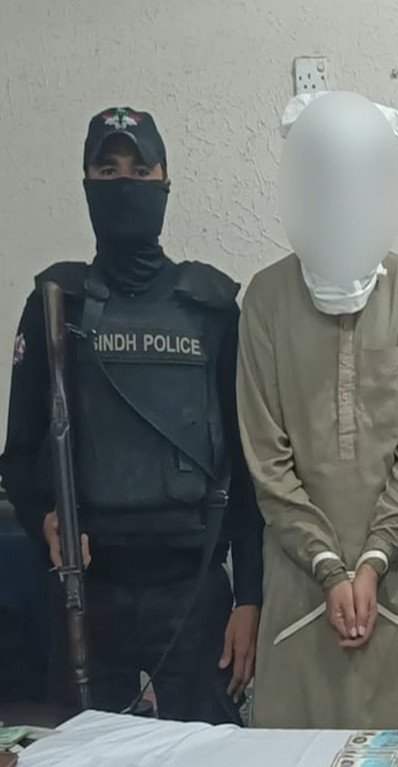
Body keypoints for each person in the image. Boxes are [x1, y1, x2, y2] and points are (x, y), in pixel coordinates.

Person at [0, 107, 263, 723]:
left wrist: (251, 598)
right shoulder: (54, 306)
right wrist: (45, 521)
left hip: (194, 592)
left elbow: (247, 467)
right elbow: (19, 455)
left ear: (165, 184)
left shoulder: (211, 308)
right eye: (108, 170)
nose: (125, 184)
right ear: (86, 184)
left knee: (208, 766)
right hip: (88, 595)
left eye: (141, 171)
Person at [237, 91, 398, 729]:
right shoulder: (266, 299)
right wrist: (329, 568)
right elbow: (266, 460)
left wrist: (375, 560)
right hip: (300, 584)